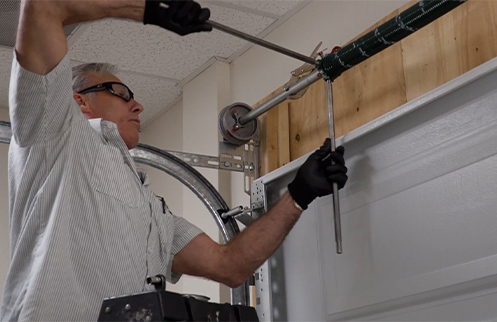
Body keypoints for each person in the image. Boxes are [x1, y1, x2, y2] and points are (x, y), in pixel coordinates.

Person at [0, 0, 348, 320]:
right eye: (120, 94)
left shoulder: (153, 212)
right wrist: (147, 9)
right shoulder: (56, 130)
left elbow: (230, 265)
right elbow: (44, 7)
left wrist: (299, 193)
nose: (137, 106)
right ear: (80, 102)